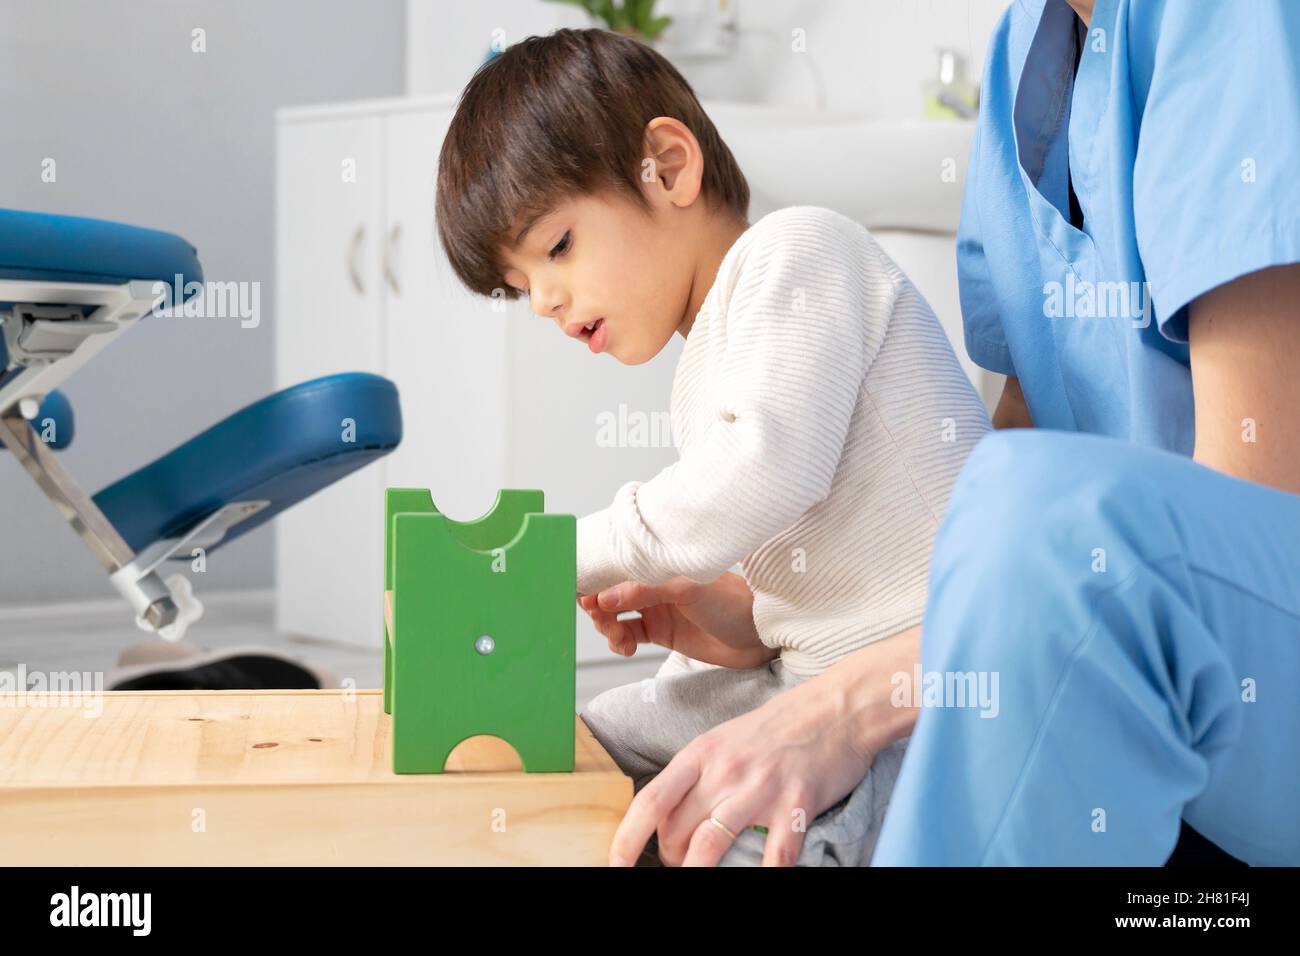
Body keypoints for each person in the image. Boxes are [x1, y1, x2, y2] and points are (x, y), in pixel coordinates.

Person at [602, 0, 1300, 866]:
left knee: (1026, 498)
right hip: (1125, 647)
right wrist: (774, 621)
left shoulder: (1228, 21)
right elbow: (1011, 465)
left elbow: (1242, 517)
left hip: (1261, 666)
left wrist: (846, 705)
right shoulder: (1023, 55)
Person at [432, 27, 989, 865]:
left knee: (721, 833)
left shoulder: (797, 250)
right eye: (521, 290)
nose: (545, 300)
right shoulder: (706, 365)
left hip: (912, 703)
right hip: (802, 678)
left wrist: (557, 555)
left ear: (669, 166)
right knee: (592, 737)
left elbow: (765, 470)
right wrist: (738, 620)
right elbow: (816, 571)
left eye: (557, 248)